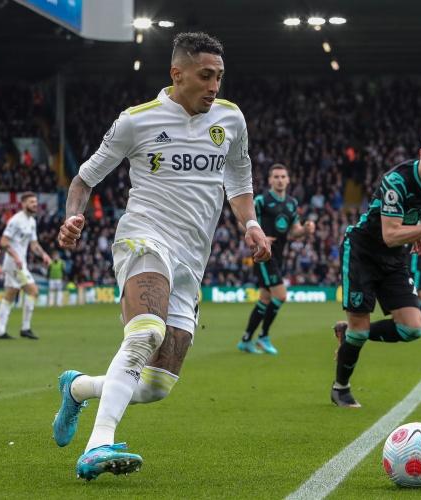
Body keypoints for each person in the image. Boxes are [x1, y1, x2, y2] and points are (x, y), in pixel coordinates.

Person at [52, 32, 271, 480]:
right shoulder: (136, 121)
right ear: (177, 74)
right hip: (144, 238)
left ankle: (77, 388)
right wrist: (73, 216)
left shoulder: (230, 119)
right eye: (205, 76)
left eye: (219, 76)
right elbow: (84, 179)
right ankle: (98, 444)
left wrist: (251, 223)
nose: (214, 86)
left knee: (155, 385)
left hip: (192, 260)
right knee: (145, 333)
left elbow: (239, 180)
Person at [331, 129, 421, 408]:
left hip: (394, 257)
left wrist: (416, 232)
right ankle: (341, 388)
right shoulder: (395, 181)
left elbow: (416, 208)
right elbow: (390, 235)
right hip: (363, 253)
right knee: (359, 331)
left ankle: (347, 333)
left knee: (413, 329)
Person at [237, 163, 315, 355]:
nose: (280, 180)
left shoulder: (292, 203)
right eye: (276, 177)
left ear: (288, 180)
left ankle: (246, 340)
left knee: (265, 299)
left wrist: (305, 230)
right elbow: (243, 223)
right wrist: (260, 237)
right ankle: (263, 336)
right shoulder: (261, 201)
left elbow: (294, 231)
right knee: (280, 296)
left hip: (279, 256)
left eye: (283, 177)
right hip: (264, 254)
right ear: (270, 180)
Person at [0, 192, 51, 340]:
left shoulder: (31, 221)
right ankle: (25, 328)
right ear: (23, 204)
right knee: (33, 291)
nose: (35, 204)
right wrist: (16, 257)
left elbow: (34, 244)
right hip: (15, 263)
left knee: (10, 295)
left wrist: (44, 255)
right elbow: (3, 242)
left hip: (18, 263)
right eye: (31, 202)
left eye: (36, 202)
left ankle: (0, 331)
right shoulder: (15, 221)